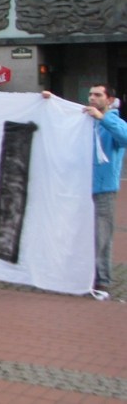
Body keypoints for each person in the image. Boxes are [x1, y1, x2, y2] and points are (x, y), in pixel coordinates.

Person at [82, 84, 127, 298]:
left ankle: (102, 280)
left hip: (104, 189)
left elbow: (124, 137)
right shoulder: (85, 121)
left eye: (98, 95)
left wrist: (103, 118)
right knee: (81, 234)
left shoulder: (113, 122)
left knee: (101, 236)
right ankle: (84, 277)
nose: (92, 98)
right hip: (81, 188)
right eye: (90, 94)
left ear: (109, 100)